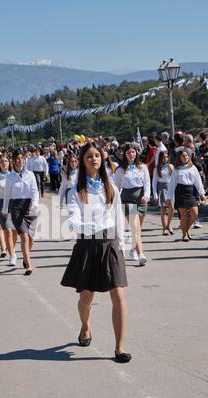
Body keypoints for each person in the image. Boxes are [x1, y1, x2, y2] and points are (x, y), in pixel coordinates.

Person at [61, 142, 131, 363]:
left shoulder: (111, 187)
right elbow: (72, 221)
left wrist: (124, 245)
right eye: (89, 156)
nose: (94, 159)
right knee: (86, 297)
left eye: (97, 156)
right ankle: (85, 325)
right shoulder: (76, 190)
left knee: (118, 295)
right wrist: (91, 229)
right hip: (87, 246)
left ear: (102, 159)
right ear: (83, 161)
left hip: (110, 245)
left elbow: (119, 217)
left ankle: (119, 348)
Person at [3, 150, 39, 275]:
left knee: (30, 239)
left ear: (24, 159)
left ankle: (25, 256)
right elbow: (7, 195)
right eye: (17, 158)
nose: (19, 160)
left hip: (30, 207)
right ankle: (29, 266)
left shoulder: (30, 174)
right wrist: (4, 209)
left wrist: (35, 204)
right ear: (13, 160)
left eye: (21, 158)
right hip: (16, 208)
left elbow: (35, 191)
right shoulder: (10, 177)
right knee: (23, 236)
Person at [114, 143, 150, 266]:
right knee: (135, 228)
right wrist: (114, 202)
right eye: (128, 152)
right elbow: (116, 187)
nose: (131, 154)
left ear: (136, 153)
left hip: (141, 199)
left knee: (137, 229)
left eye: (133, 152)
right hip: (127, 199)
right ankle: (141, 254)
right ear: (125, 154)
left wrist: (146, 195)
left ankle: (133, 248)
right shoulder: (120, 170)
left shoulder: (142, 167)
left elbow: (147, 183)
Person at [166, 150, 206, 241]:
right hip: (180, 192)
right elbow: (172, 184)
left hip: (190, 192)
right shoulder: (176, 169)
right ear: (180, 158)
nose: (185, 157)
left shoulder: (193, 168)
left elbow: (198, 182)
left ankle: (186, 230)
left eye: (186, 155)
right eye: (183, 156)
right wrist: (169, 198)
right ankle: (184, 234)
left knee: (194, 214)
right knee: (184, 215)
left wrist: (202, 193)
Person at [0, 153, 18, 264]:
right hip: (1, 205)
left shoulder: (15, 175)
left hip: (15, 203)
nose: (3, 163)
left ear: (9, 162)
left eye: (6, 161)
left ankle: (12, 248)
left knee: (15, 231)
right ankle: (12, 255)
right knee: (7, 231)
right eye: (1, 161)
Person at [152, 150, 174, 235]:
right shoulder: (157, 168)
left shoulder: (171, 167)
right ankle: (164, 228)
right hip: (161, 188)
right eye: (163, 157)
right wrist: (155, 194)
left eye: (166, 157)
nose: (165, 159)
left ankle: (169, 225)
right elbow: (154, 181)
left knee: (172, 208)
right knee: (163, 209)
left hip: (170, 188)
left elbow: (173, 179)